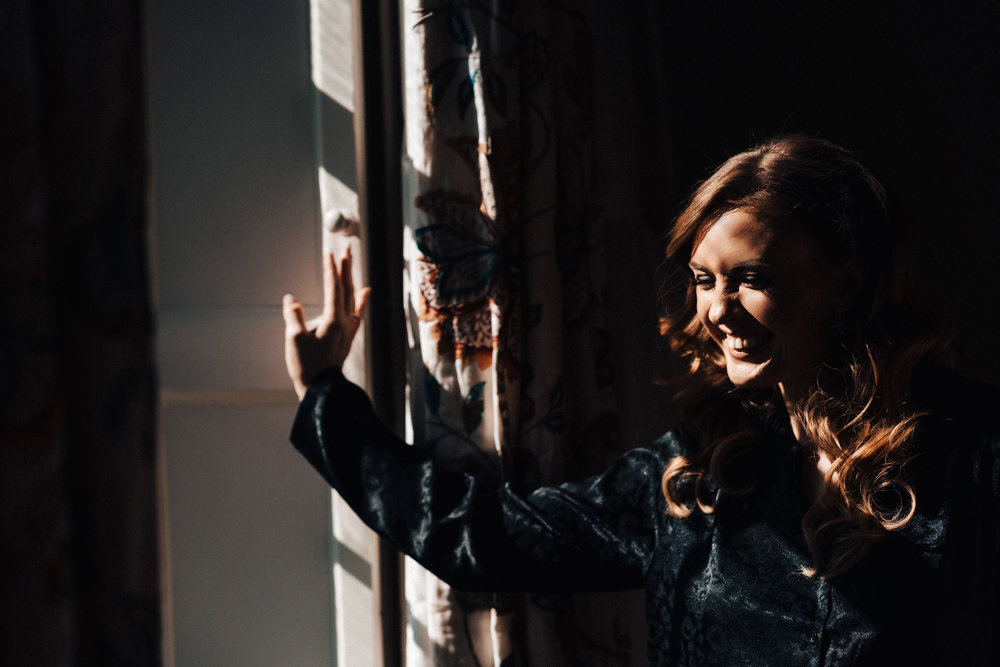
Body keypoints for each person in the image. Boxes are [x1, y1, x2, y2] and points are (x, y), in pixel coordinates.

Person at [282, 135, 1000, 665]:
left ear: (847, 283)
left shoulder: (971, 456)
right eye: (702, 279)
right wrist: (326, 398)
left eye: (751, 276)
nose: (718, 311)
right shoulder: (701, 475)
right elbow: (488, 535)